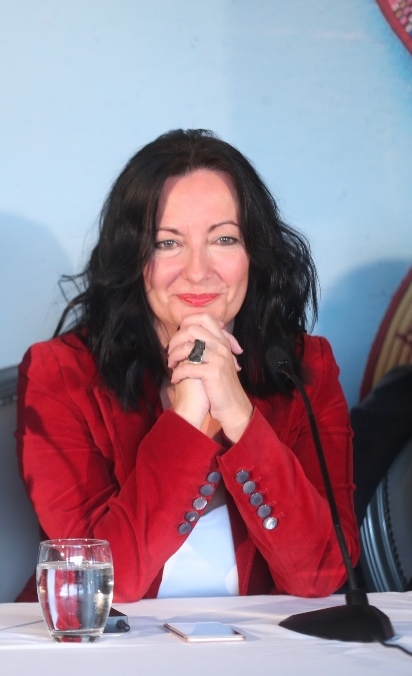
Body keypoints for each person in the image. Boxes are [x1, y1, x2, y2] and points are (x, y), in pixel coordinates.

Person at [15, 128, 359, 603]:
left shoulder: (305, 369)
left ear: (255, 253)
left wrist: (240, 416)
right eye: (167, 243)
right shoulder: (59, 374)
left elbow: (322, 575)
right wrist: (187, 417)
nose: (198, 271)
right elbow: (99, 583)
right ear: (133, 257)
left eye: (224, 238)